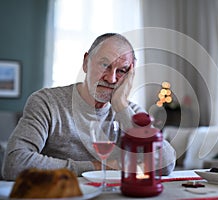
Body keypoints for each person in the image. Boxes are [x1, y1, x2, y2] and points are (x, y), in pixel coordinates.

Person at [2, 33, 176, 180]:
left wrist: (120, 106)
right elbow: (14, 163)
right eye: (105, 65)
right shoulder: (46, 102)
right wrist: (94, 167)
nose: (112, 78)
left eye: (121, 71)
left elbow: (166, 163)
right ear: (86, 63)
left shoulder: (129, 112)